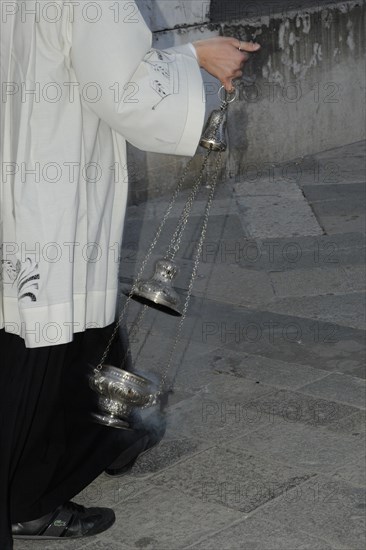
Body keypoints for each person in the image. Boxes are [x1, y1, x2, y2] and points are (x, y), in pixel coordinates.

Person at [0, 1, 260, 547]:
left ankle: (107, 440)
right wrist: (198, 57)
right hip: (58, 170)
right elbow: (122, 87)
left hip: (22, 149)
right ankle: (24, 499)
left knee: (53, 315)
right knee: (47, 325)